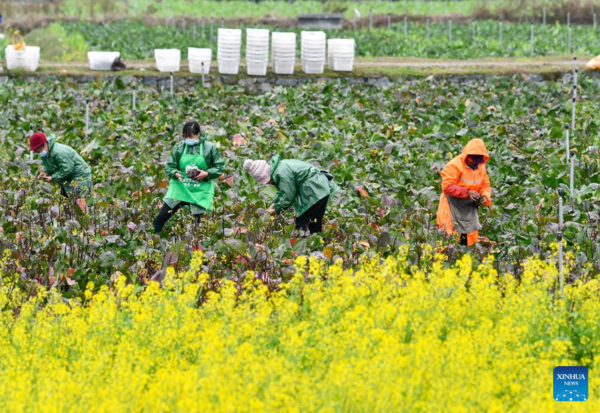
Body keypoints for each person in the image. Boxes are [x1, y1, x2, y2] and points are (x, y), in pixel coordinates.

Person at [153, 121, 225, 233]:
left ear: (198, 134)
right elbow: (170, 166)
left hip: (199, 190)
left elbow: (219, 167)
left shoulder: (209, 148)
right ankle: (151, 238)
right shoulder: (179, 147)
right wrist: (175, 173)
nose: (188, 139)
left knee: (199, 226)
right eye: (185, 137)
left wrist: (206, 174)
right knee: (161, 218)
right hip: (180, 187)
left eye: (190, 137)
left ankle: (196, 247)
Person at [244, 156, 338, 235]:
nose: (269, 183)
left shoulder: (281, 173)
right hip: (321, 187)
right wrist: (273, 204)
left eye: (267, 181)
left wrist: (276, 209)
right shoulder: (279, 167)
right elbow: (282, 191)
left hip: (314, 190)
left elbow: (288, 196)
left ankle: (302, 248)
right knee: (314, 221)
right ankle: (317, 248)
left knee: (301, 223)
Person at [437, 138, 492, 247]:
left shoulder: (481, 168)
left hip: (469, 210)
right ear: (467, 155)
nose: (475, 162)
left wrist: (485, 197)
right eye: (473, 159)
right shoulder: (454, 165)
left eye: (477, 160)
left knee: (469, 243)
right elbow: (447, 186)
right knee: (450, 242)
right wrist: (467, 193)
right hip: (451, 208)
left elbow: (485, 186)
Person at [30, 132, 92, 213]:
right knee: (65, 200)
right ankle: (72, 219)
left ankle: (85, 221)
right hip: (67, 177)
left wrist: (53, 177)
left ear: (45, 145)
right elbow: (49, 166)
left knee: (79, 200)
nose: (39, 153)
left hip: (79, 175)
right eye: (37, 152)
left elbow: (68, 168)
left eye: (39, 151)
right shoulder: (46, 153)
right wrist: (45, 172)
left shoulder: (59, 152)